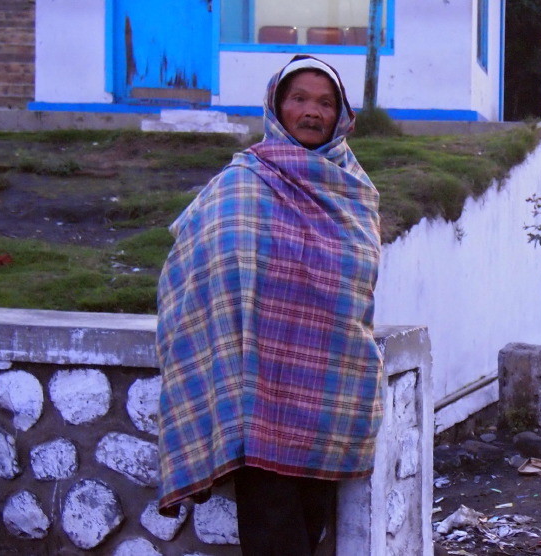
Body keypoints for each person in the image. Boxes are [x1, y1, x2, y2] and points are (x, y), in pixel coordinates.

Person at [156, 55, 382, 555]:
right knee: (273, 525)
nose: (311, 112)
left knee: (310, 523)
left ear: (342, 116)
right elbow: (198, 262)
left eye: (325, 102)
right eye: (298, 98)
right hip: (258, 391)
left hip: (326, 385)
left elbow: (360, 276)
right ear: (277, 106)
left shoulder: (355, 190)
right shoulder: (242, 182)